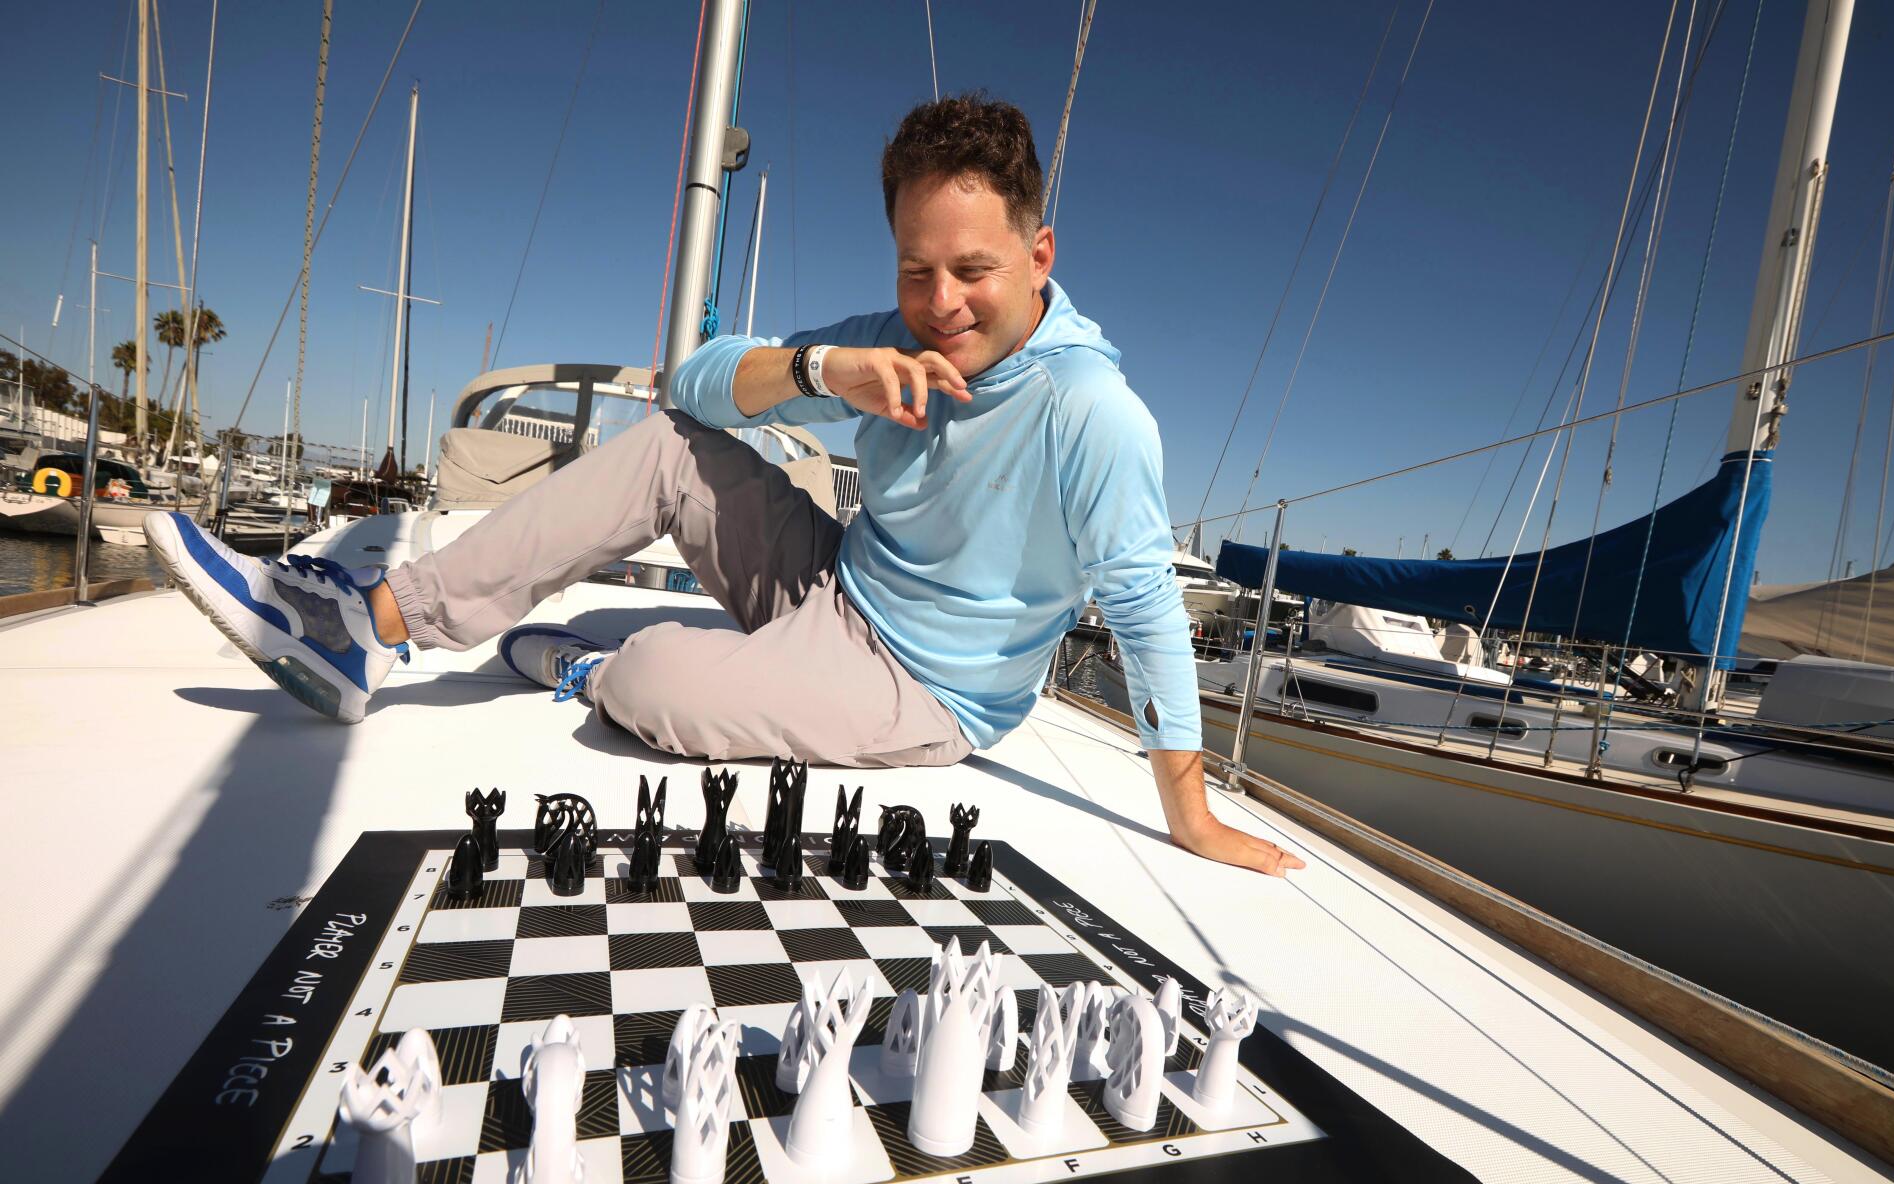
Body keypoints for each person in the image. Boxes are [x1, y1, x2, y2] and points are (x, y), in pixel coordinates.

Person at [144, 94, 1303, 877]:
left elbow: (1148, 617)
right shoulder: (884, 341)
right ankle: (366, 628)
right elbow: (694, 385)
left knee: (652, 677)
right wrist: (820, 368)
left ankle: (593, 666)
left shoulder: (1089, 414)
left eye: (973, 270)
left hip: (924, 687)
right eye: (915, 267)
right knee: (665, 447)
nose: (941, 300)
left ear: (1038, 256)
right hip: (834, 578)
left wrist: (1188, 814)